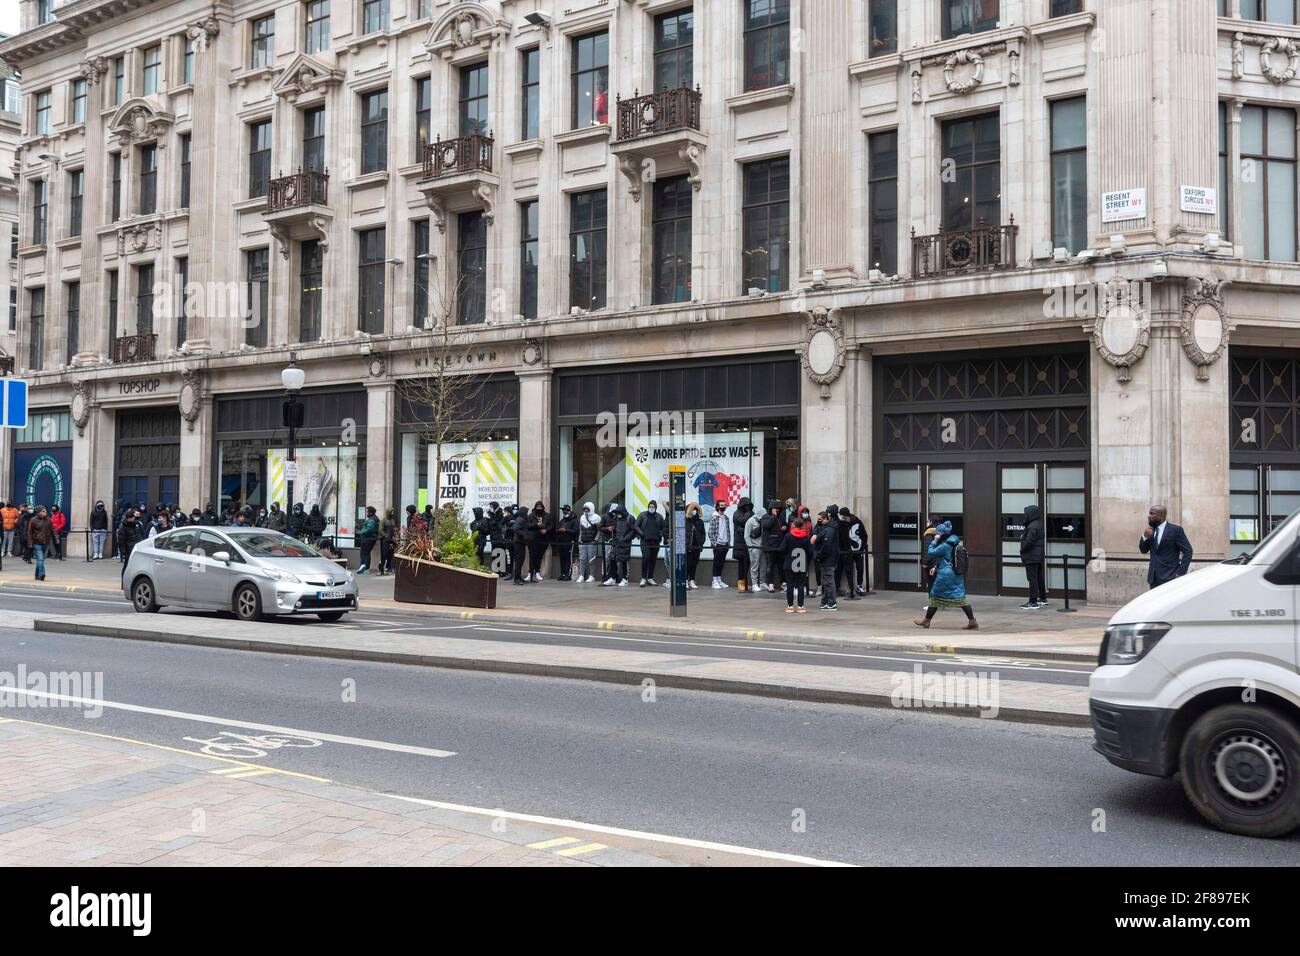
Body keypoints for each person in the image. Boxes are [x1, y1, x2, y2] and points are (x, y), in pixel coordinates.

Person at [914, 521, 977, 630]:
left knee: (934, 596)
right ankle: (972, 621)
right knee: (960, 597)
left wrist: (934, 541)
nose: (935, 535)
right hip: (955, 574)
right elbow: (946, 559)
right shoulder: (954, 542)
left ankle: (926, 621)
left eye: (937, 533)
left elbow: (931, 552)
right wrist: (935, 567)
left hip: (945, 575)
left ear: (941, 534)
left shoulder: (944, 545)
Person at [1140, 504, 1193, 589]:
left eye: (1152, 513)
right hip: (1153, 578)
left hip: (1170, 577)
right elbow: (1143, 550)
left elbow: (1188, 551)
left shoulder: (1175, 530)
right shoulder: (1150, 530)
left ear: (1161, 515)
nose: (1149, 516)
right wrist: (1144, 537)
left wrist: (1180, 573)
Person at [780, 517, 813, 613]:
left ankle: (790, 606)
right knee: (801, 585)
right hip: (801, 563)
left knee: (790, 585)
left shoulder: (788, 536)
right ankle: (800, 606)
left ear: (793, 525)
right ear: (802, 526)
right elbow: (810, 552)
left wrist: (787, 556)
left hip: (789, 563)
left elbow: (782, 549)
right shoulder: (806, 537)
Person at [1019, 504, 1047, 609]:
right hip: (1038, 556)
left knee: (1032, 579)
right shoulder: (1038, 524)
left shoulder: (1032, 526)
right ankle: (1043, 598)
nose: (1025, 516)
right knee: (1039, 577)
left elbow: (1029, 541)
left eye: (1026, 514)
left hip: (1031, 557)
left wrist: (1022, 549)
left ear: (1030, 514)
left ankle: (1033, 601)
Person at [602, 503, 634, 587]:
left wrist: (626, 538)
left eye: (619, 512)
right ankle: (612, 578)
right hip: (616, 542)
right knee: (612, 558)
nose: (618, 514)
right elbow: (616, 529)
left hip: (625, 543)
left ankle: (625, 579)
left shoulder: (630, 518)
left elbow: (633, 531)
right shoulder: (617, 518)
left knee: (623, 560)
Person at [813, 509, 840, 610]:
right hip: (827, 558)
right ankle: (825, 601)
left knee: (829, 581)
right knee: (826, 581)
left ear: (825, 519)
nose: (818, 521)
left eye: (820, 519)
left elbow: (826, 546)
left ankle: (832, 602)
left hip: (828, 559)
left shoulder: (830, 529)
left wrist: (819, 556)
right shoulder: (826, 528)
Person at [839, 507, 868, 597]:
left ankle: (859, 586)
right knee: (849, 570)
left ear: (845, 515)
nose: (840, 517)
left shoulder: (858, 522)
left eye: (841, 515)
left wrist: (862, 549)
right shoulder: (841, 524)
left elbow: (864, 536)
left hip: (858, 551)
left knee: (860, 569)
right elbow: (840, 538)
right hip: (847, 551)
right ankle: (851, 588)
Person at [635, 500, 665, 586]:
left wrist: (660, 536)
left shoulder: (659, 517)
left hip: (655, 542)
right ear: (648, 507)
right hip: (645, 541)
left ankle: (650, 578)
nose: (651, 508)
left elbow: (663, 528)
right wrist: (642, 534)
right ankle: (643, 578)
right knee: (645, 558)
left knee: (653, 560)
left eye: (653, 507)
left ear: (655, 508)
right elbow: (636, 526)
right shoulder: (642, 515)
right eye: (650, 507)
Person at [759, 500, 787, 592]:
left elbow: (784, 526)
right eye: (775, 509)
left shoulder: (782, 517)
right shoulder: (765, 517)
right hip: (769, 546)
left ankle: (783, 583)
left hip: (779, 545)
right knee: (770, 565)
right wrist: (773, 516)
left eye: (779, 509)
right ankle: (770, 584)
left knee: (781, 566)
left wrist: (785, 528)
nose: (777, 511)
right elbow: (766, 526)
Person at [731, 497, 754, 592]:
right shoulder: (737, 514)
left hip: (748, 543)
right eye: (746, 506)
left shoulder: (749, 513)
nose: (748, 508)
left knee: (747, 563)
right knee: (741, 564)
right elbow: (742, 521)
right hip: (740, 544)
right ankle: (740, 582)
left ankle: (745, 582)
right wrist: (749, 514)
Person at [26, 506, 54, 581]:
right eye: (43, 511)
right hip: (37, 542)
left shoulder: (49, 519)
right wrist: (30, 543)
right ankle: (42, 574)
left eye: (45, 510)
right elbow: (29, 532)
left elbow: (53, 529)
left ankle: (36, 575)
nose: (45, 512)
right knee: (40, 559)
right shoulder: (33, 520)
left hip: (46, 542)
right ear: (39, 512)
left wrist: (56, 539)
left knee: (41, 560)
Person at [576, 502, 601, 583]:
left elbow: (599, 530)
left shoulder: (597, 518)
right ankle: (581, 575)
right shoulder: (582, 517)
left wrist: (596, 540)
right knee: (582, 559)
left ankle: (592, 575)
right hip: (583, 541)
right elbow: (581, 530)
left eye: (587, 509)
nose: (586, 510)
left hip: (592, 542)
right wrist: (579, 539)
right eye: (584, 509)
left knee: (592, 560)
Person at [709, 502, 732, 589]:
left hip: (725, 544)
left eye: (724, 505)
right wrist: (714, 543)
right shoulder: (714, 518)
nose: (723, 507)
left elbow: (728, 530)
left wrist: (728, 542)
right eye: (721, 505)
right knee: (716, 562)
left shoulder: (726, 518)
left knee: (722, 563)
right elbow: (711, 532)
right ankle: (714, 580)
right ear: (718, 506)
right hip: (718, 544)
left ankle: (719, 579)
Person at [526, 501, 551, 582]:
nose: (539, 509)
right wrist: (536, 525)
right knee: (532, 557)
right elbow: (528, 526)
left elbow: (551, 526)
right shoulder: (531, 515)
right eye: (537, 507)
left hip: (543, 539)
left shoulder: (547, 515)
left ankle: (537, 572)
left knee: (539, 557)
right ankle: (530, 573)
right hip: (533, 539)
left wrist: (546, 530)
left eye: (540, 507)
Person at [683, 503, 706, 590]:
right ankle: (685, 580)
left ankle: (692, 580)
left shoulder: (700, 522)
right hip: (688, 546)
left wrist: (701, 542)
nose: (694, 511)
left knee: (694, 564)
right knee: (687, 564)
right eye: (692, 509)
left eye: (695, 510)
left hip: (697, 547)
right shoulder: (685, 521)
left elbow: (703, 533)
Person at [743, 503, 763, 594]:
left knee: (762, 566)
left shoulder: (762, 521)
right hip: (754, 547)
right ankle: (754, 583)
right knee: (754, 566)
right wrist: (750, 548)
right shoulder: (750, 521)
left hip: (762, 547)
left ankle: (761, 582)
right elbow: (746, 536)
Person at [555, 504, 578, 581]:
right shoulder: (562, 520)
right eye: (563, 510)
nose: (564, 512)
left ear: (569, 511)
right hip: (561, 542)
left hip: (569, 541)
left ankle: (568, 574)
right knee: (562, 558)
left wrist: (565, 530)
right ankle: (562, 573)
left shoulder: (574, 520)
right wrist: (559, 530)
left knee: (568, 558)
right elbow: (557, 529)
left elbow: (575, 531)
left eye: (566, 510)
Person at [510, 505, 531, 586]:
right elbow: (515, 528)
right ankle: (516, 578)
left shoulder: (522, 519)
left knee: (521, 561)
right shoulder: (520, 519)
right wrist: (524, 535)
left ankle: (519, 577)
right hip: (519, 543)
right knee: (519, 561)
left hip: (521, 542)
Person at [356, 506, 379, 573]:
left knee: (364, 553)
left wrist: (361, 532)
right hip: (371, 538)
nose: (366, 513)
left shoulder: (371, 520)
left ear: (370, 513)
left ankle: (364, 567)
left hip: (367, 538)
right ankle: (365, 567)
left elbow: (369, 529)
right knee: (366, 553)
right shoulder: (374, 519)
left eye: (367, 512)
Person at [378, 507, 399, 575]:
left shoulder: (393, 520)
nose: (393, 513)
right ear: (388, 512)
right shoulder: (383, 520)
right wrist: (385, 535)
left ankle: (387, 568)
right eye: (391, 512)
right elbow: (380, 530)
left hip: (391, 540)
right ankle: (381, 569)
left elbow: (394, 529)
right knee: (384, 554)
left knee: (390, 555)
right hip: (385, 540)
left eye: (393, 512)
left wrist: (395, 535)